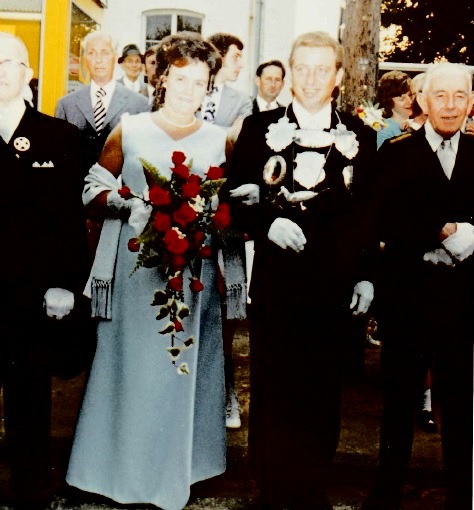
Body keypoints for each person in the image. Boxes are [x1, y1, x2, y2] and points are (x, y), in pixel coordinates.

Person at [65, 32, 228, 510]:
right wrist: (128, 204)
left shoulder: (221, 139)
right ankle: (117, 471)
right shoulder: (130, 129)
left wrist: (209, 219)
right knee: (131, 369)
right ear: (163, 79)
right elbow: (91, 189)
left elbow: (230, 205)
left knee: (180, 369)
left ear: (208, 86)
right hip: (135, 270)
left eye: (199, 82)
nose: (188, 90)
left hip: (192, 274)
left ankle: (179, 470)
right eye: (181, 79)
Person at [221, 31, 377, 509]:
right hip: (278, 283)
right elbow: (232, 201)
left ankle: (310, 488)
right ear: (290, 73)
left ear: (338, 76)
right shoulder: (257, 128)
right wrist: (267, 224)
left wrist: (366, 275)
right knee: (274, 386)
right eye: (302, 68)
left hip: (334, 284)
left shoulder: (361, 135)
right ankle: (271, 489)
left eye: (321, 69)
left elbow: (369, 214)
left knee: (322, 389)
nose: (311, 79)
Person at [361, 62, 474, 510]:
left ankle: (464, 493)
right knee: (399, 402)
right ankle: (386, 492)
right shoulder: (395, 152)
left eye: (459, 96)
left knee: (462, 404)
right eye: (440, 95)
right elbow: (379, 218)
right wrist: (442, 231)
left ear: (470, 102)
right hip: (408, 300)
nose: (449, 105)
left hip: (464, 304)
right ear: (423, 101)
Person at [0, 32, 90, 510]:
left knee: (29, 395)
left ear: (28, 72)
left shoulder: (60, 137)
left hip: (32, 294)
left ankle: (31, 490)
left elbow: (70, 222)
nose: (0, 72)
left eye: (9, 62)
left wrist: (66, 284)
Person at [55, 31, 148, 262]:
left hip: (122, 206)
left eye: (104, 53)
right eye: (92, 53)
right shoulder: (66, 104)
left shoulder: (139, 104)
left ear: (115, 57)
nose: (98, 59)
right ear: (84, 58)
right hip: (78, 208)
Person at [201, 32, 253, 429]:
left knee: (225, 313)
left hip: (225, 218)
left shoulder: (242, 102)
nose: (240, 64)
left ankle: (227, 392)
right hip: (182, 217)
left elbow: (237, 147)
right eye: (235, 57)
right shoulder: (187, 91)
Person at [376, 70, 413, 149]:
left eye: (410, 95)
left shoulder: (416, 123)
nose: (410, 101)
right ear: (388, 101)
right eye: (401, 99)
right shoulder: (386, 130)